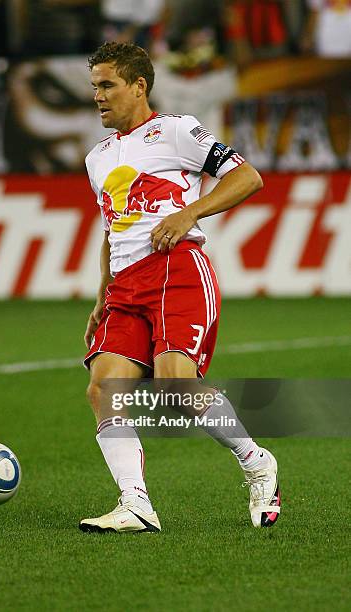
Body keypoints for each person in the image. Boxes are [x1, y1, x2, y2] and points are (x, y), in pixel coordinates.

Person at [80, 42, 281, 533]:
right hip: (124, 288)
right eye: (94, 87)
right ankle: (135, 505)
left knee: (176, 386)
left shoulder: (175, 130)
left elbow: (247, 177)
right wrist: (102, 295)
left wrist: (189, 211)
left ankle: (257, 463)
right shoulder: (97, 158)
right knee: (104, 388)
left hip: (177, 271)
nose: (98, 97)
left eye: (107, 85)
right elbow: (113, 230)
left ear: (139, 86)